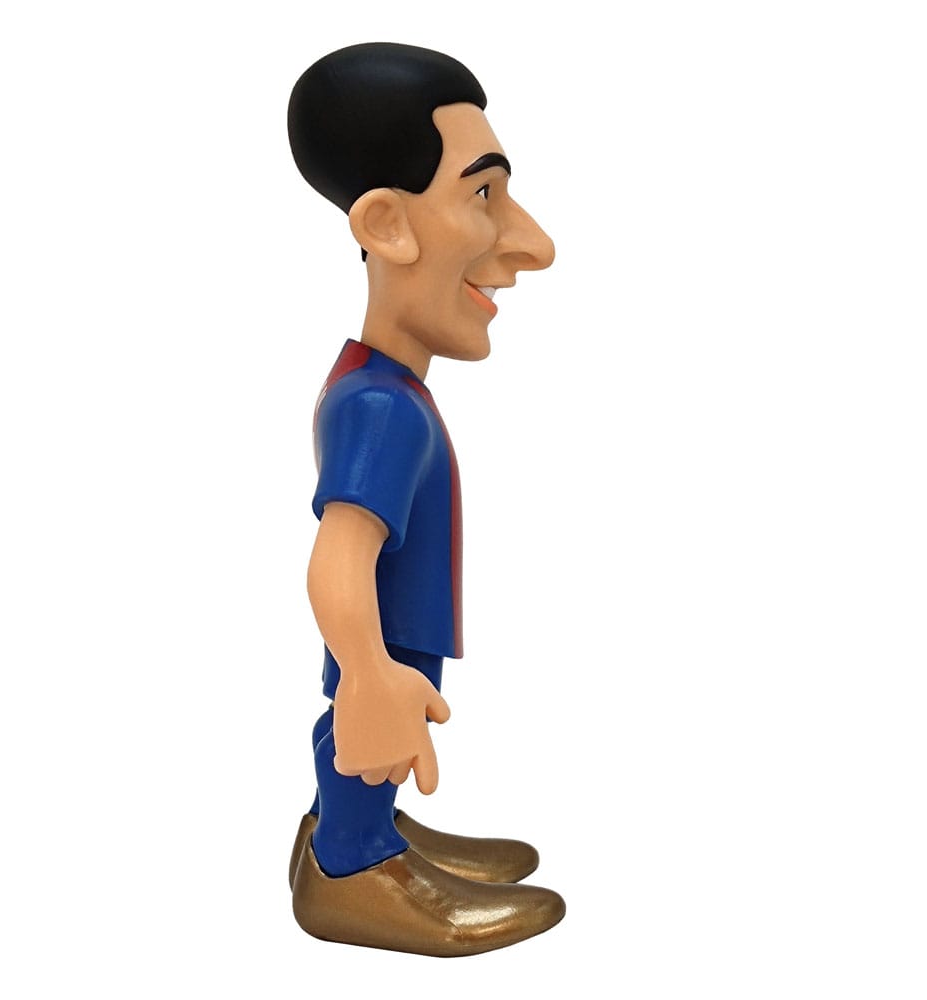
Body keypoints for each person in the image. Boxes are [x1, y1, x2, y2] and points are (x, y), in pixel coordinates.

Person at [286, 42, 564, 956]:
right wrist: (368, 671)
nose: (533, 244)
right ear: (387, 224)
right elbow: (338, 555)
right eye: (483, 195)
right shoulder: (381, 407)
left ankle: (360, 829)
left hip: (395, 627)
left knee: (370, 733)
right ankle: (352, 865)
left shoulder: (379, 385)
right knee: (370, 727)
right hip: (387, 635)